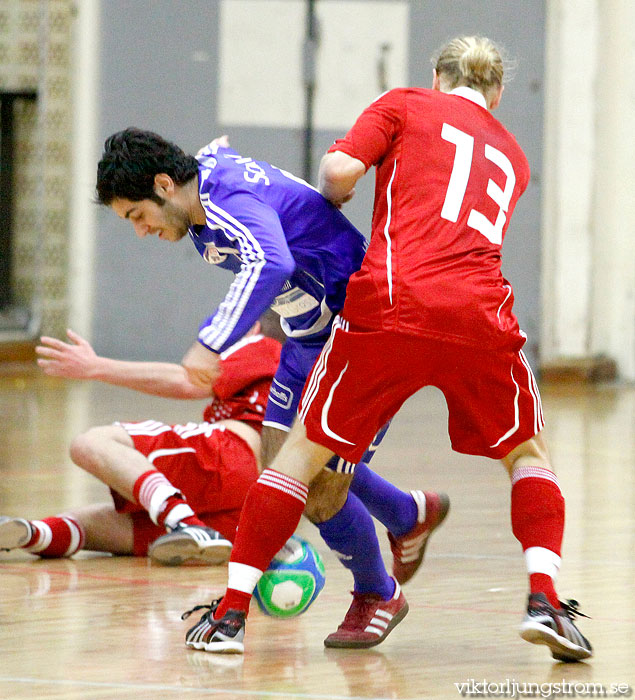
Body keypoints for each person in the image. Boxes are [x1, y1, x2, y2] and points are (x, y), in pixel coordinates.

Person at [187, 35, 593, 662]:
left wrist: (337, 194)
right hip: (482, 313)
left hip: (391, 303)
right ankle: (545, 601)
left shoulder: (404, 103)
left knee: (298, 457)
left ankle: (230, 616)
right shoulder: (513, 156)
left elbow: (338, 174)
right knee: (528, 455)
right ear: (498, 92)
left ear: (436, 77)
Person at [93, 135, 450, 646]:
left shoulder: (224, 197)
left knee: (313, 484)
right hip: (311, 334)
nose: (141, 231)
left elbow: (270, 262)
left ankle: (377, 592)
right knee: (280, 464)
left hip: (361, 329)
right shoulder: (204, 184)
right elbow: (214, 163)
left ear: (165, 185)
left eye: (136, 215)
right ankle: (404, 513)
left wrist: (211, 341)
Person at [0, 317, 280, 564]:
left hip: (231, 454)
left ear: (250, 325)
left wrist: (96, 367)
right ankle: (30, 533)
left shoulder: (261, 344)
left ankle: (185, 522)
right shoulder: (299, 369)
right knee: (94, 523)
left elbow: (190, 381)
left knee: (91, 443)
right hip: (248, 504)